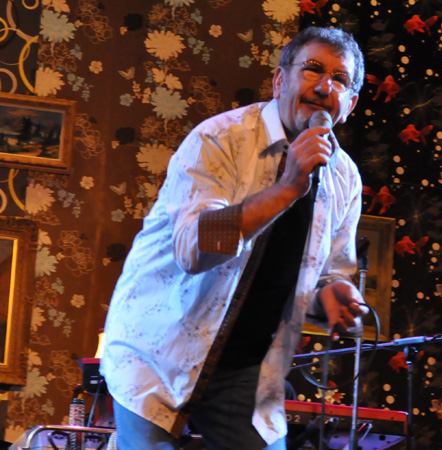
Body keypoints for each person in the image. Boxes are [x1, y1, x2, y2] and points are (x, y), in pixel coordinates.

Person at [100, 26, 366, 450]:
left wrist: (330, 294)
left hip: (246, 369)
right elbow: (193, 249)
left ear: (349, 105)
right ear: (280, 81)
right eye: (312, 69)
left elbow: (327, 273)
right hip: (158, 350)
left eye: (340, 79)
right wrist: (287, 188)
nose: (323, 86)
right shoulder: (220, 138)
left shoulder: (345, 178)